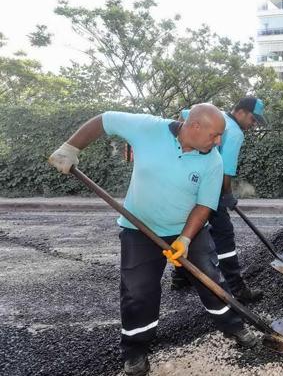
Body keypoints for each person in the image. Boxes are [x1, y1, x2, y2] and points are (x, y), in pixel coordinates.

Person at [48, 104, 258, 376]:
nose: (219, 141)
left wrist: (184, 239)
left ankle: (234, 326)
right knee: (137, 291)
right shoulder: (148, 128)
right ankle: (135, 349)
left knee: (210, 279)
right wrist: (71, 148)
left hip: (188, 229)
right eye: (215, 135)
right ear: (194, 127)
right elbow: (105, 120)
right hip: (140, 230)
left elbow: (204, 204)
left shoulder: (212, 159)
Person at [171, 96, 267, 305]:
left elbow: (184, 115)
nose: (253, 125)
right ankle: (236, 288)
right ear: (240, 111)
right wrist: (226, 196)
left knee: (188, 229)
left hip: (189, 185)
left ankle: (179, 277)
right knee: (224, 236)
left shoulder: (212, 117)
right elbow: (225, 172)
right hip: (209, 191)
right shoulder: (233, 132)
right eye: (252, 119)